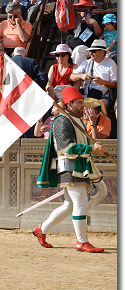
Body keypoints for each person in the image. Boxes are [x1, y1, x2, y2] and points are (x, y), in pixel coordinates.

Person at [33, 86, 107, 253]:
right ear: (69, 104)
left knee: (69, 205)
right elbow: (65, 147)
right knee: (80, 202)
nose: (83, 105)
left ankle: (41, 229)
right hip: (69, 167)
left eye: (83, 102)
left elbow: (80, 143)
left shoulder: (76, 119)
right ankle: (81, 241)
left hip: (78, 166)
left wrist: (94, 146)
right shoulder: (62, 120)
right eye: (80, 102)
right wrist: (91, 149)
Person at [70, 39, 117, 111]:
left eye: (93, 51)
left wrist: (103, 82)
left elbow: (115, 84)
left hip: (104, 97)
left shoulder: (110, 63)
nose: (90, 53)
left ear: (102, 52)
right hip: (87, 97)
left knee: (101, 104)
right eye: (90, 51)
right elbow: (71, 77)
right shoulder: (86, 63)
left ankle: (104, 122)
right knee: (74, 105)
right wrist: (82, 76)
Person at [65, 0, 102, 65]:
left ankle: (78, 74)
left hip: (86, 46)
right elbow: (68, 30)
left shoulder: (96, 17)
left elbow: (99, 33)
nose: (83, 8)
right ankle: (65, 74)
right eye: (82, 6)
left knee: (78, 50)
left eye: (86, 6)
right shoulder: (74, 17)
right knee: (62, 51)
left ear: (90, 7)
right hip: (70, 44)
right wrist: (78, 21)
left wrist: (94, 23)